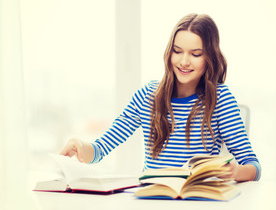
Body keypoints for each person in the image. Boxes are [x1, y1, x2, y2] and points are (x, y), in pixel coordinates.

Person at [60, 13, 261, 182]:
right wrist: (81, 147)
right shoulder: (148, 96)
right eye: (177, 51)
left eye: (196, 54)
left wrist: (235, 172)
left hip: (198, 201)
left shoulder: (220, 99)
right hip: (152, 199)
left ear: (210, 57)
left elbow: (253, 165)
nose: (184, 61)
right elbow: (102, 148)